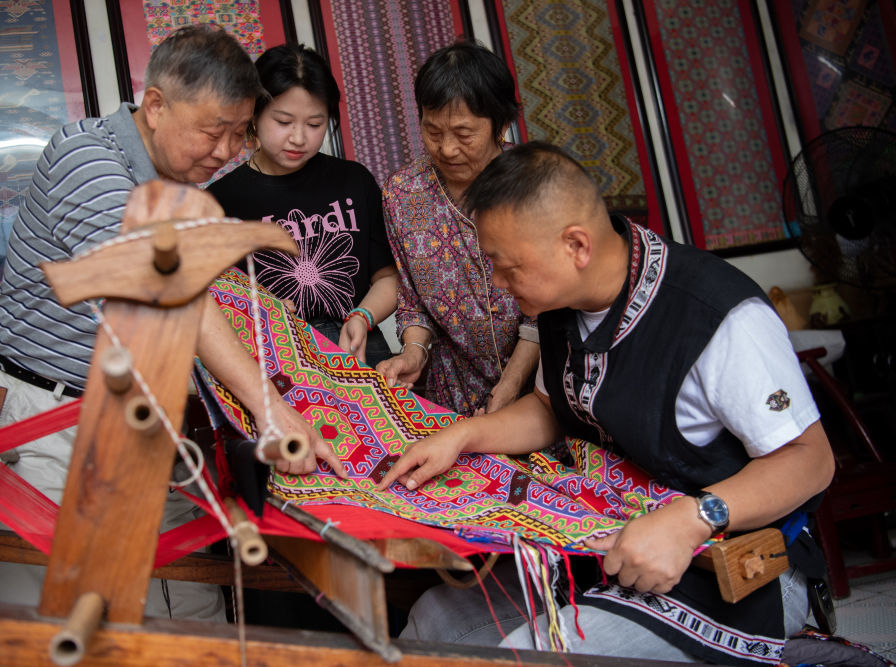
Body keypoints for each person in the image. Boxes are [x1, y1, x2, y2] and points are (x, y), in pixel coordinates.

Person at [379, 142, 834, 665]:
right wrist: (460, 436)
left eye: (507, 267)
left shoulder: (715, 315)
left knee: (533, 657)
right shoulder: (562, 307)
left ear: (576, 245)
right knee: (434, 620)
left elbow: (811, 459)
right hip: (610, 545)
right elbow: (552, 409)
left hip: (731, 569)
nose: (500, 286)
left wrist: (694, 518)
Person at [0, 25, 345, 622]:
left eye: (238, 133)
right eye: (212, 131)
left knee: (191, 618)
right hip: (43, 424)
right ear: (156, 104)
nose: (226, 151)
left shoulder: (183, 191)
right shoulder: (85, 158)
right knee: (46, 626)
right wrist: (272, 411)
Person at [208, 43, 396, 368]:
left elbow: (388, 277)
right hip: (273, 357)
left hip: (359, 345)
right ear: (254, 114)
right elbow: (214, 304)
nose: (299, 138)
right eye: (283, 122)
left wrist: (363, 316)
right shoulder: (221, 201)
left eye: (314, 124)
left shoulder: (354, 181)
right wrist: (263, 315)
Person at [376, 42, 539, 416]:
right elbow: (412, 302)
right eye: (432, 131)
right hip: (454, 391)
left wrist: (512, 383)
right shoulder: (404, 193)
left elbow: (551, 305)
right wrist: (414, 351)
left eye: (464, 134)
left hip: (542, 383)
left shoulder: (532, 182)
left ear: (500, 123)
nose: (447, 149)